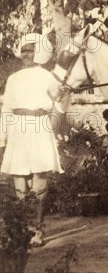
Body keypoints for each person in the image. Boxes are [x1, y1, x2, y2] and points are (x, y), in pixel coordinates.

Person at [0, 33, 64, 247]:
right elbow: (6, 110)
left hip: (39, 127)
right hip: (18, 128)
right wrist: (2, 140)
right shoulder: (13, 79)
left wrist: (55, 121)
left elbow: (61, 101)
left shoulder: (48, 76)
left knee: (39, 183)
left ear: (40, 52)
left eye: (30, 50)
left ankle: (38, 229)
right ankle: (22, 229)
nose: (26, 54)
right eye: (24, 50)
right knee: (19, 184)